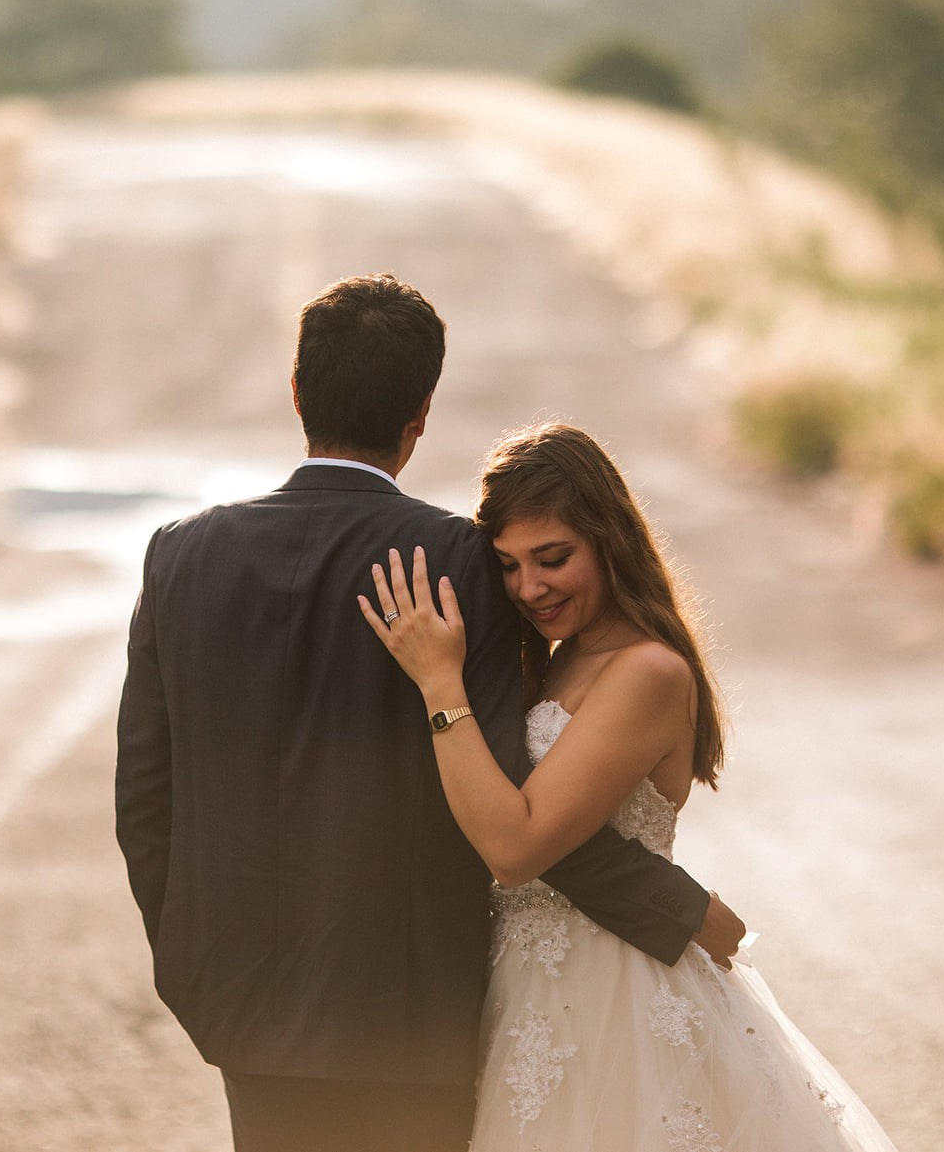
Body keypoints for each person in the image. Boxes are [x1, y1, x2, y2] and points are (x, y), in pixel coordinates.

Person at [115, 274, 744, 1152]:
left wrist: (195, 957)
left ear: (297, 392)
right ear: (421, 413)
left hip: (246, 1002)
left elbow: (146, 799)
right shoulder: (450, 557)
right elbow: (510, 784)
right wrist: (673, 908)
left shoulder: (179, 557)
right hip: (415, 1009)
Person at [360, 422, 902, 1151]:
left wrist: (438, 679)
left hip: (617, 994)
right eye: (510, 566)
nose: (531, 587)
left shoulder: (648, 671)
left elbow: (516, 845)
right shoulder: (556, 659)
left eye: (553, 558)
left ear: (608, 539)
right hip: (521, 991)